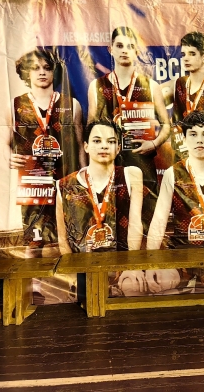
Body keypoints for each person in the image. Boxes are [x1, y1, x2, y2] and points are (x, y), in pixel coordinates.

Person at [145, 111, 204, 292]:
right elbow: (158, 222)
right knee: (160, 282)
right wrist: (151, 265)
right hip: (183, 256)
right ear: (184, 139)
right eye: (193, 134)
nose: (199, 140)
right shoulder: (173, 174)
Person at [87, 26, 171, 234]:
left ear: (137, 51)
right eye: (120, 45)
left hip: (142, 162)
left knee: (146, 221)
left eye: (130, 46)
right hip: (109, 164)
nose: (124, 50)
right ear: (111, 49)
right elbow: (90, 129)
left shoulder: (151, 86)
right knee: (112, 221)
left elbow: (167, 125)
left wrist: (153, 143)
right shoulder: (97, 86)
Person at [56, 120, 146, 295]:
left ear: (118, 148)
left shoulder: (131, 175)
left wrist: (132, 266)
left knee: (132, 287)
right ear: (86, 146)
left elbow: (135, 226)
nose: (104, 146)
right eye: (97, 141)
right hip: (83, 268)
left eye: (110, 141)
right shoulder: (65, 185)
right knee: (84, 295)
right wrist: (73, 276)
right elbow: (62, 239)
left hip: (121, 265)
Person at [10, 48, 85, 254]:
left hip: (65, 180)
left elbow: (80, 145)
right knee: (34, 247)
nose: (42, 72)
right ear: (26, 72)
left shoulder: (72, 105)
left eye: (47, 67)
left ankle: (71, 275)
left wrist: (84, 175)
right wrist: (8, 156)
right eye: (35, 68)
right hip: (34, 184)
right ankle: (34, 277)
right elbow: (3, 142)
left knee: (69, 241)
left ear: (55, 71)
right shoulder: (15, 105)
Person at [161, 32, 204, 163]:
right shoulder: (178, 83)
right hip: (182, 154)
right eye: (183, 54)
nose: (186, 59)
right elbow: (152, 98)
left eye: (192, 54)